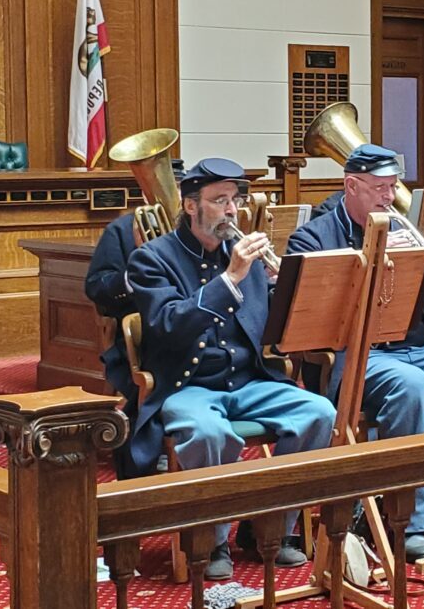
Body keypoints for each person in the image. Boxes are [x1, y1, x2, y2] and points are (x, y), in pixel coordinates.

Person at [288, 144, 424, 563]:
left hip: (414, 346)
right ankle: (405, 521)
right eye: (379, 188)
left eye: (393, 187)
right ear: (351, 186)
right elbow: (304, 319)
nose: (389, 197)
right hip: (353, 355)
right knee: (410, 385)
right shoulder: (314, 237)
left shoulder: (406, 229)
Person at [127, 158, 337, 580]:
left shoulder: (246, 257)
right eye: (218, 200)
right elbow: (168, 326)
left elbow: (272, 324)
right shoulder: (152, 259)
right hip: (187, 386)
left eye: (234, 200)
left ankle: (270, 525)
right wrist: (230, 278)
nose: (231, 210)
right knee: (208, 433)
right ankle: (213, 537)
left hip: (248, 380)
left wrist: (296, 289)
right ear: (191, 206)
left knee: (319, 413)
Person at [84, 160, 185, 478]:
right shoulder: (122, 230)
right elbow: (96, 288)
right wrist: (137, 271)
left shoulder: (204, 235)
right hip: (140, 347)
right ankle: (151, 441)